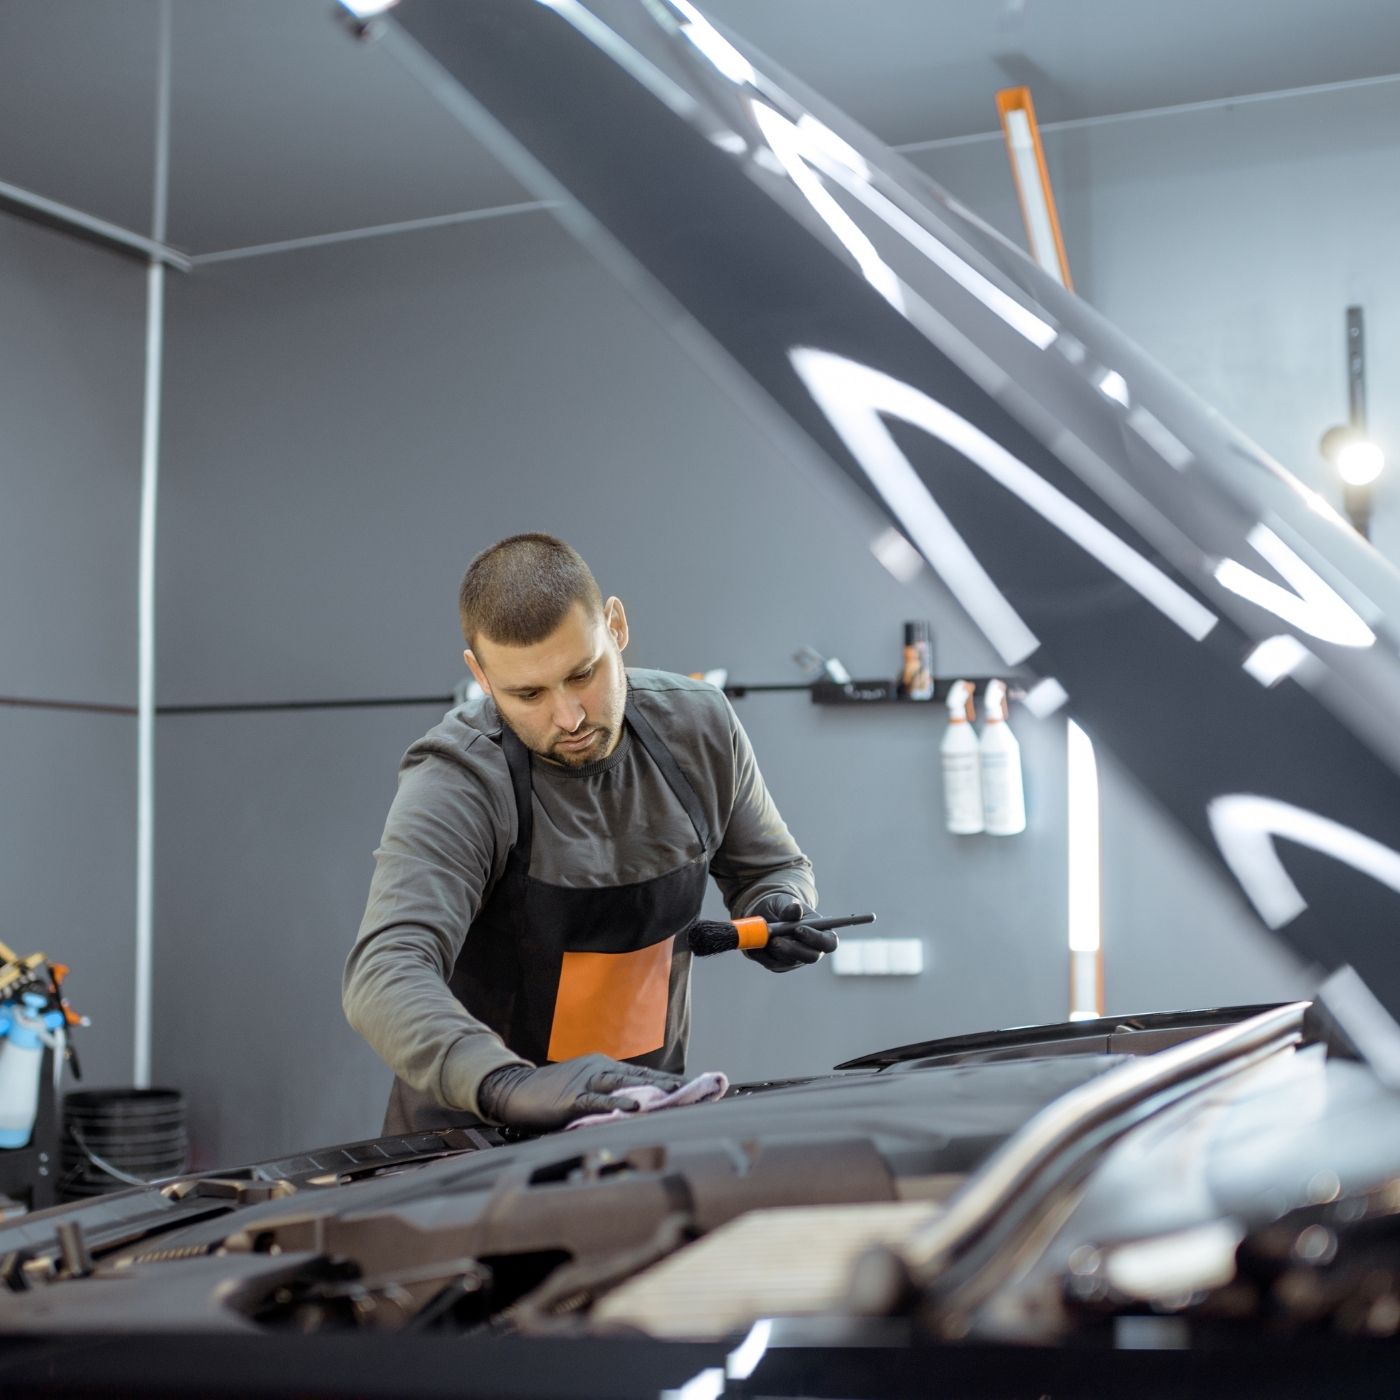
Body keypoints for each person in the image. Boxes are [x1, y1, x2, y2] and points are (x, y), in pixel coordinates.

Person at [343, 533, 833, 1133]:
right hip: (470, 1140)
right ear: (480, 674)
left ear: (616, 626)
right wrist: (506, 1083)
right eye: (527, 694)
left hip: (641, 1119)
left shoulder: (700, 726)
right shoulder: (461, 779)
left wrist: (778, 909)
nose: (569, 716)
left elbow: (771, 868)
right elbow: (386, 970)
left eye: (583, 674)